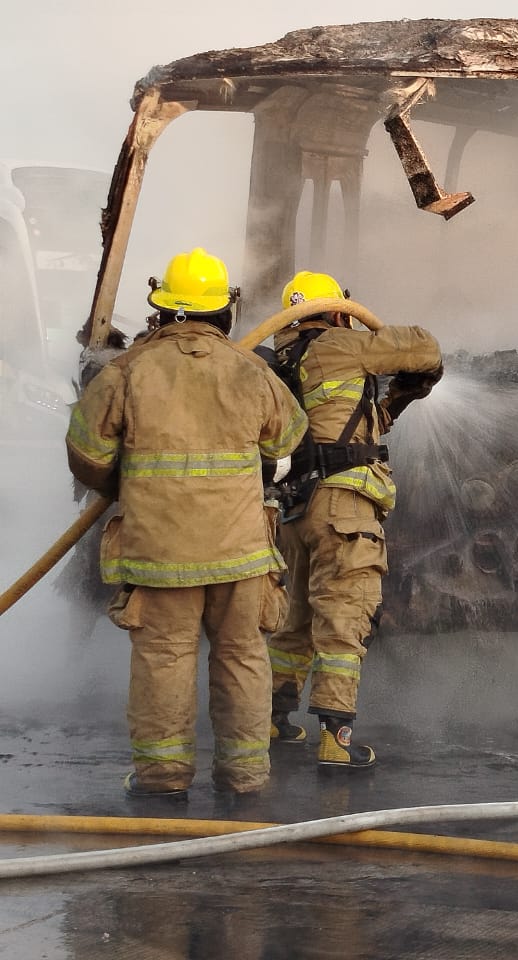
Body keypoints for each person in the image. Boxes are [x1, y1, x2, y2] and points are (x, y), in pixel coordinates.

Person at [65, 248, 308, 799]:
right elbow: (288, 441)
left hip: (161, 554)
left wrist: (122, 482)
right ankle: (245, 778)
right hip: (242, 554)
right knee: (243, 656)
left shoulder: (126, 372)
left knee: (164, 659)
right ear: (225, 310)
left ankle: (162, 780)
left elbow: (86, 453)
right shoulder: (252, 371)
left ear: (162, 309)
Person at [266, 270, 442, 769]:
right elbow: (425, 348)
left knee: (295, 618)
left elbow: (334, 429)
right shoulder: (340, 345)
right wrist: (369, 332)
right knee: (344, 618)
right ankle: (335, 740)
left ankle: (273, 721)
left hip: (295, 510)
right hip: (344, 507)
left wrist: (391, 403)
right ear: (338, 311)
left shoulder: (277, 362)